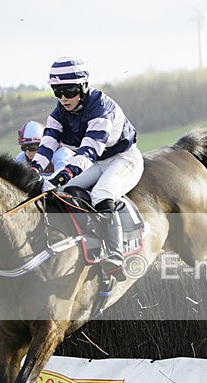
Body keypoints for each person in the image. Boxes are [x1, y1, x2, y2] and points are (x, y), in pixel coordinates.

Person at [30, 56, 143, 278]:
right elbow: (47, 145)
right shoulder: (58, 113)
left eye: (69, 91)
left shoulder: (101, 107)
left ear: (83, 87)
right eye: (57, 91)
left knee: (102, 193)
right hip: (97, 162)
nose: (63, 98)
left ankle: (115, 254)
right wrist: (34, 171)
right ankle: (88, 237)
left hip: (124, 158)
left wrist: (63, 174)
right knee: (62, 192)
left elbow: (88, 151)